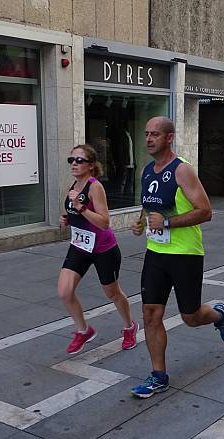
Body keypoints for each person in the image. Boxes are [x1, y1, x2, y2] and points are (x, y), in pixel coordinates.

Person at [130, 116, 224, 399]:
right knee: (151, 315)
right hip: (156, 253)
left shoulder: (182, 170)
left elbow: (205, 211)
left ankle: (218, 314)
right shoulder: (147, 171)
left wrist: (165, 223)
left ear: (169, 137)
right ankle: (158, 376)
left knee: (190, 316)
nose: (149, 139)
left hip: (185, 255)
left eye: (155, 134)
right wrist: (142, 223)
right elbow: (150, 207)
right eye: (146, 133)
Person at [58, 144, 138, 354]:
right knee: (64, 292)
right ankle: (83, 330)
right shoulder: (74, 185)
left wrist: (81, 208)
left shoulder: (95, 187)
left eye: (79, 160)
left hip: (103, 248)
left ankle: (130, 327)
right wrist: (68, 218)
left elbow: (104, 222)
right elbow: (77, 213)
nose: (74, 164)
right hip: (80, 246)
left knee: (112, 292)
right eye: (71, 160)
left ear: (91, 166)